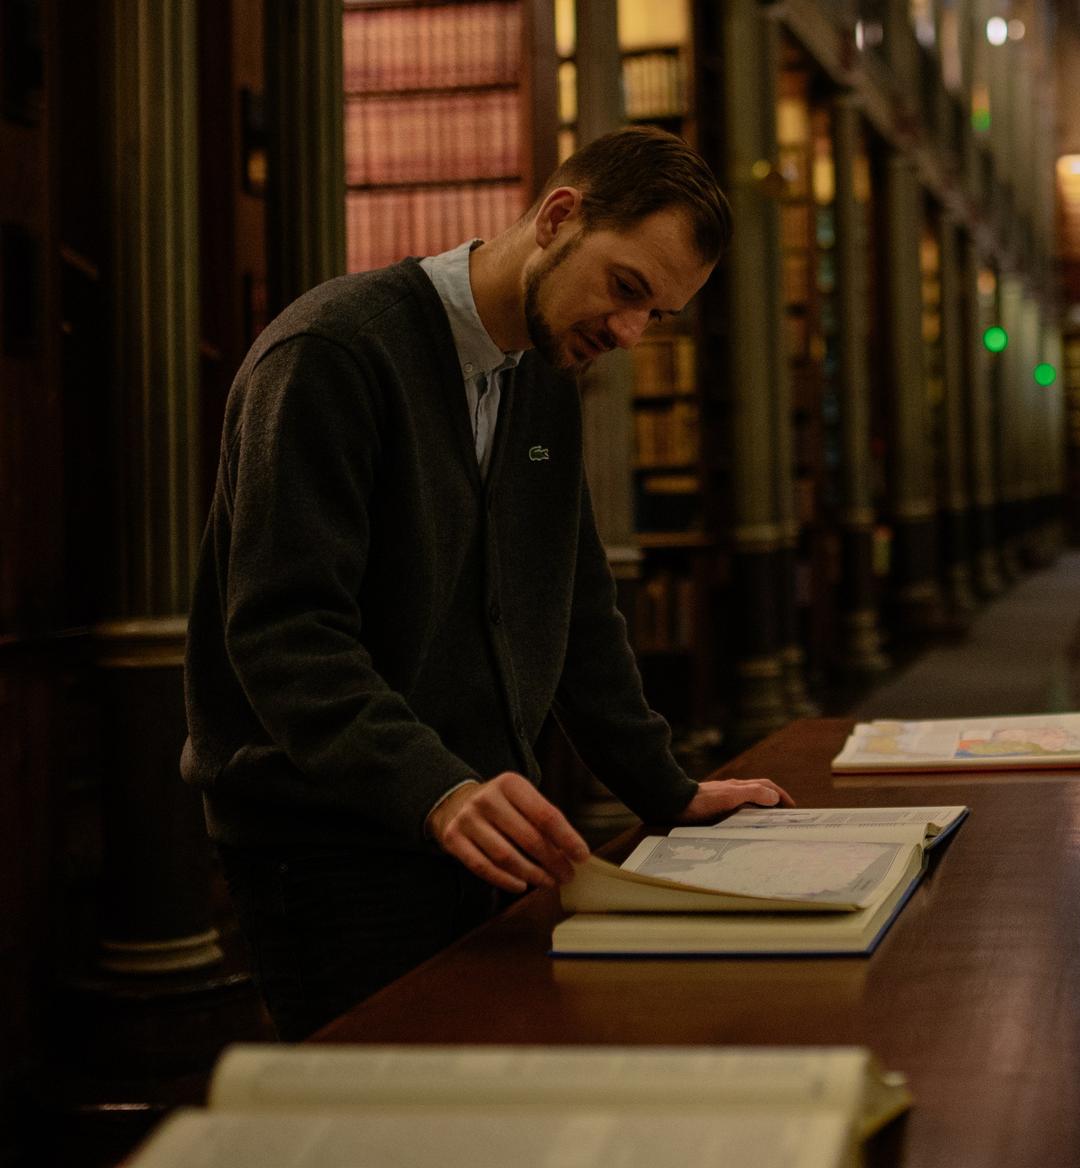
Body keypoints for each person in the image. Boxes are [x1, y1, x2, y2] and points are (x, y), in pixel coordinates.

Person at [183, 126, 793, 1038]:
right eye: (627, 288)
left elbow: (577, 607)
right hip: (330, 842)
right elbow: (286, 634)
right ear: (557, 217)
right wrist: (438, 787)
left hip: (476, 825)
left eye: (655, 315)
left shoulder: (543, 373)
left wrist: (665, 787)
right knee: (377, 1120)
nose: (628, 333)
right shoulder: (334, 351)